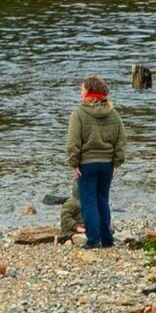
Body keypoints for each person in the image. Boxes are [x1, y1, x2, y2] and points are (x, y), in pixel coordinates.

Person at [64, 78, 127, 248]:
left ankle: (93, 240)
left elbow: (73, 142)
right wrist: (117, 162)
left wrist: (74, 163)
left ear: (88, 93)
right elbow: (121, 139)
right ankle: (107, 239)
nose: (80, 93)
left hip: (87, 165)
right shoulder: (113, 114)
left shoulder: (78, 114)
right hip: (107, 164)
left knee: (89, 202)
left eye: (82, 90)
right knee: (102, 200)